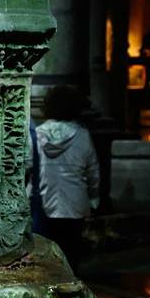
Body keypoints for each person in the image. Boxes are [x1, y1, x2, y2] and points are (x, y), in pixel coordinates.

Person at [35, 85, 100, 272]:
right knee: (71, 254)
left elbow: (29, 166)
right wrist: (94, 198)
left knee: (46, 255)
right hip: (75, 204)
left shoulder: (38, 134)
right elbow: (93, 171)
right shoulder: (82, 135)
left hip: (45, 201)